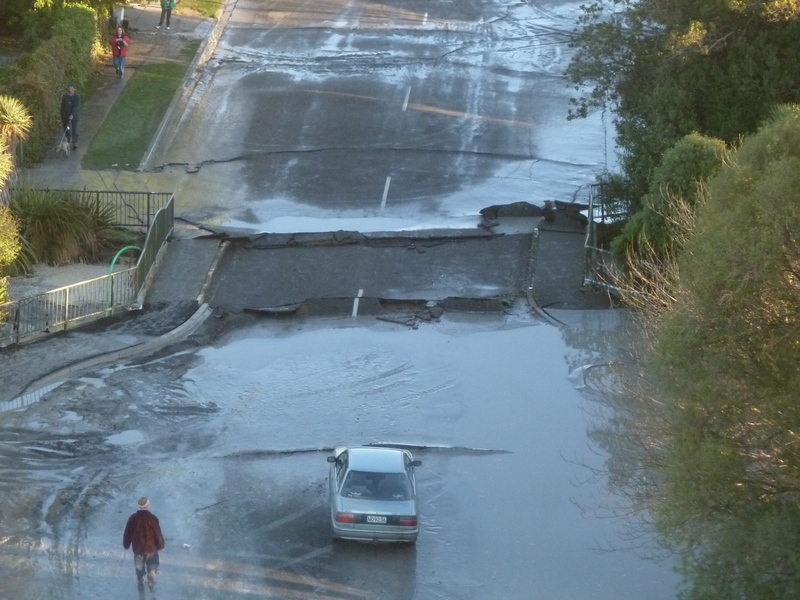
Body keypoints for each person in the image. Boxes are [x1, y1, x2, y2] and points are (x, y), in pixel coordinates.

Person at [122, 497, 165, 589]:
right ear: (147, 505)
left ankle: (140, 579)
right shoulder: (152, 518)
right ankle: (151, 574)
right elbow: (157, 533)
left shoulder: (133, 518)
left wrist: (126, 544)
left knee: (139, 565)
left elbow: (127, 532)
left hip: (138, 548)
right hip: (151, 548)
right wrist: (161, 545)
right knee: (152, 563)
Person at [59, 83, 80, 150]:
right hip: (65, 116)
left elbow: (76, 107)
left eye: (72, 88)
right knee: (67, 128)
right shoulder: (65, 96)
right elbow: (62, 106)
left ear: (74, 89)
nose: (70, 90)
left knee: (74, 129)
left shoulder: (76, 97)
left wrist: (72, 114)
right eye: (69, 88)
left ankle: (74, 142)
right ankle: (68, 139)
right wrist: (63, 114)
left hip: (74, 116)